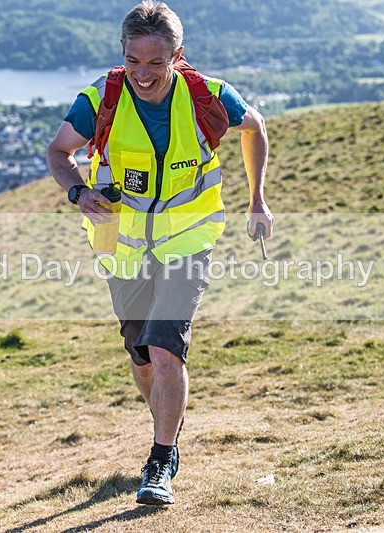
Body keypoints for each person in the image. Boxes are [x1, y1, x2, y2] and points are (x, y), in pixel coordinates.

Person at [46, 0, 272, 506]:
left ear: (177, 54)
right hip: (122, 246)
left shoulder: (208, 96)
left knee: (168, 350)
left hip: (188, 240)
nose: (143, 74)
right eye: (133, 61)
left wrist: (257, 199)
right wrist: (78, 192)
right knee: (144, 356)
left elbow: (255, 127)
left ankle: (161, 458)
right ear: (122, 54)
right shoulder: (100, 97)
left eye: (155, 62)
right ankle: (168, 421)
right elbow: (58, 153)